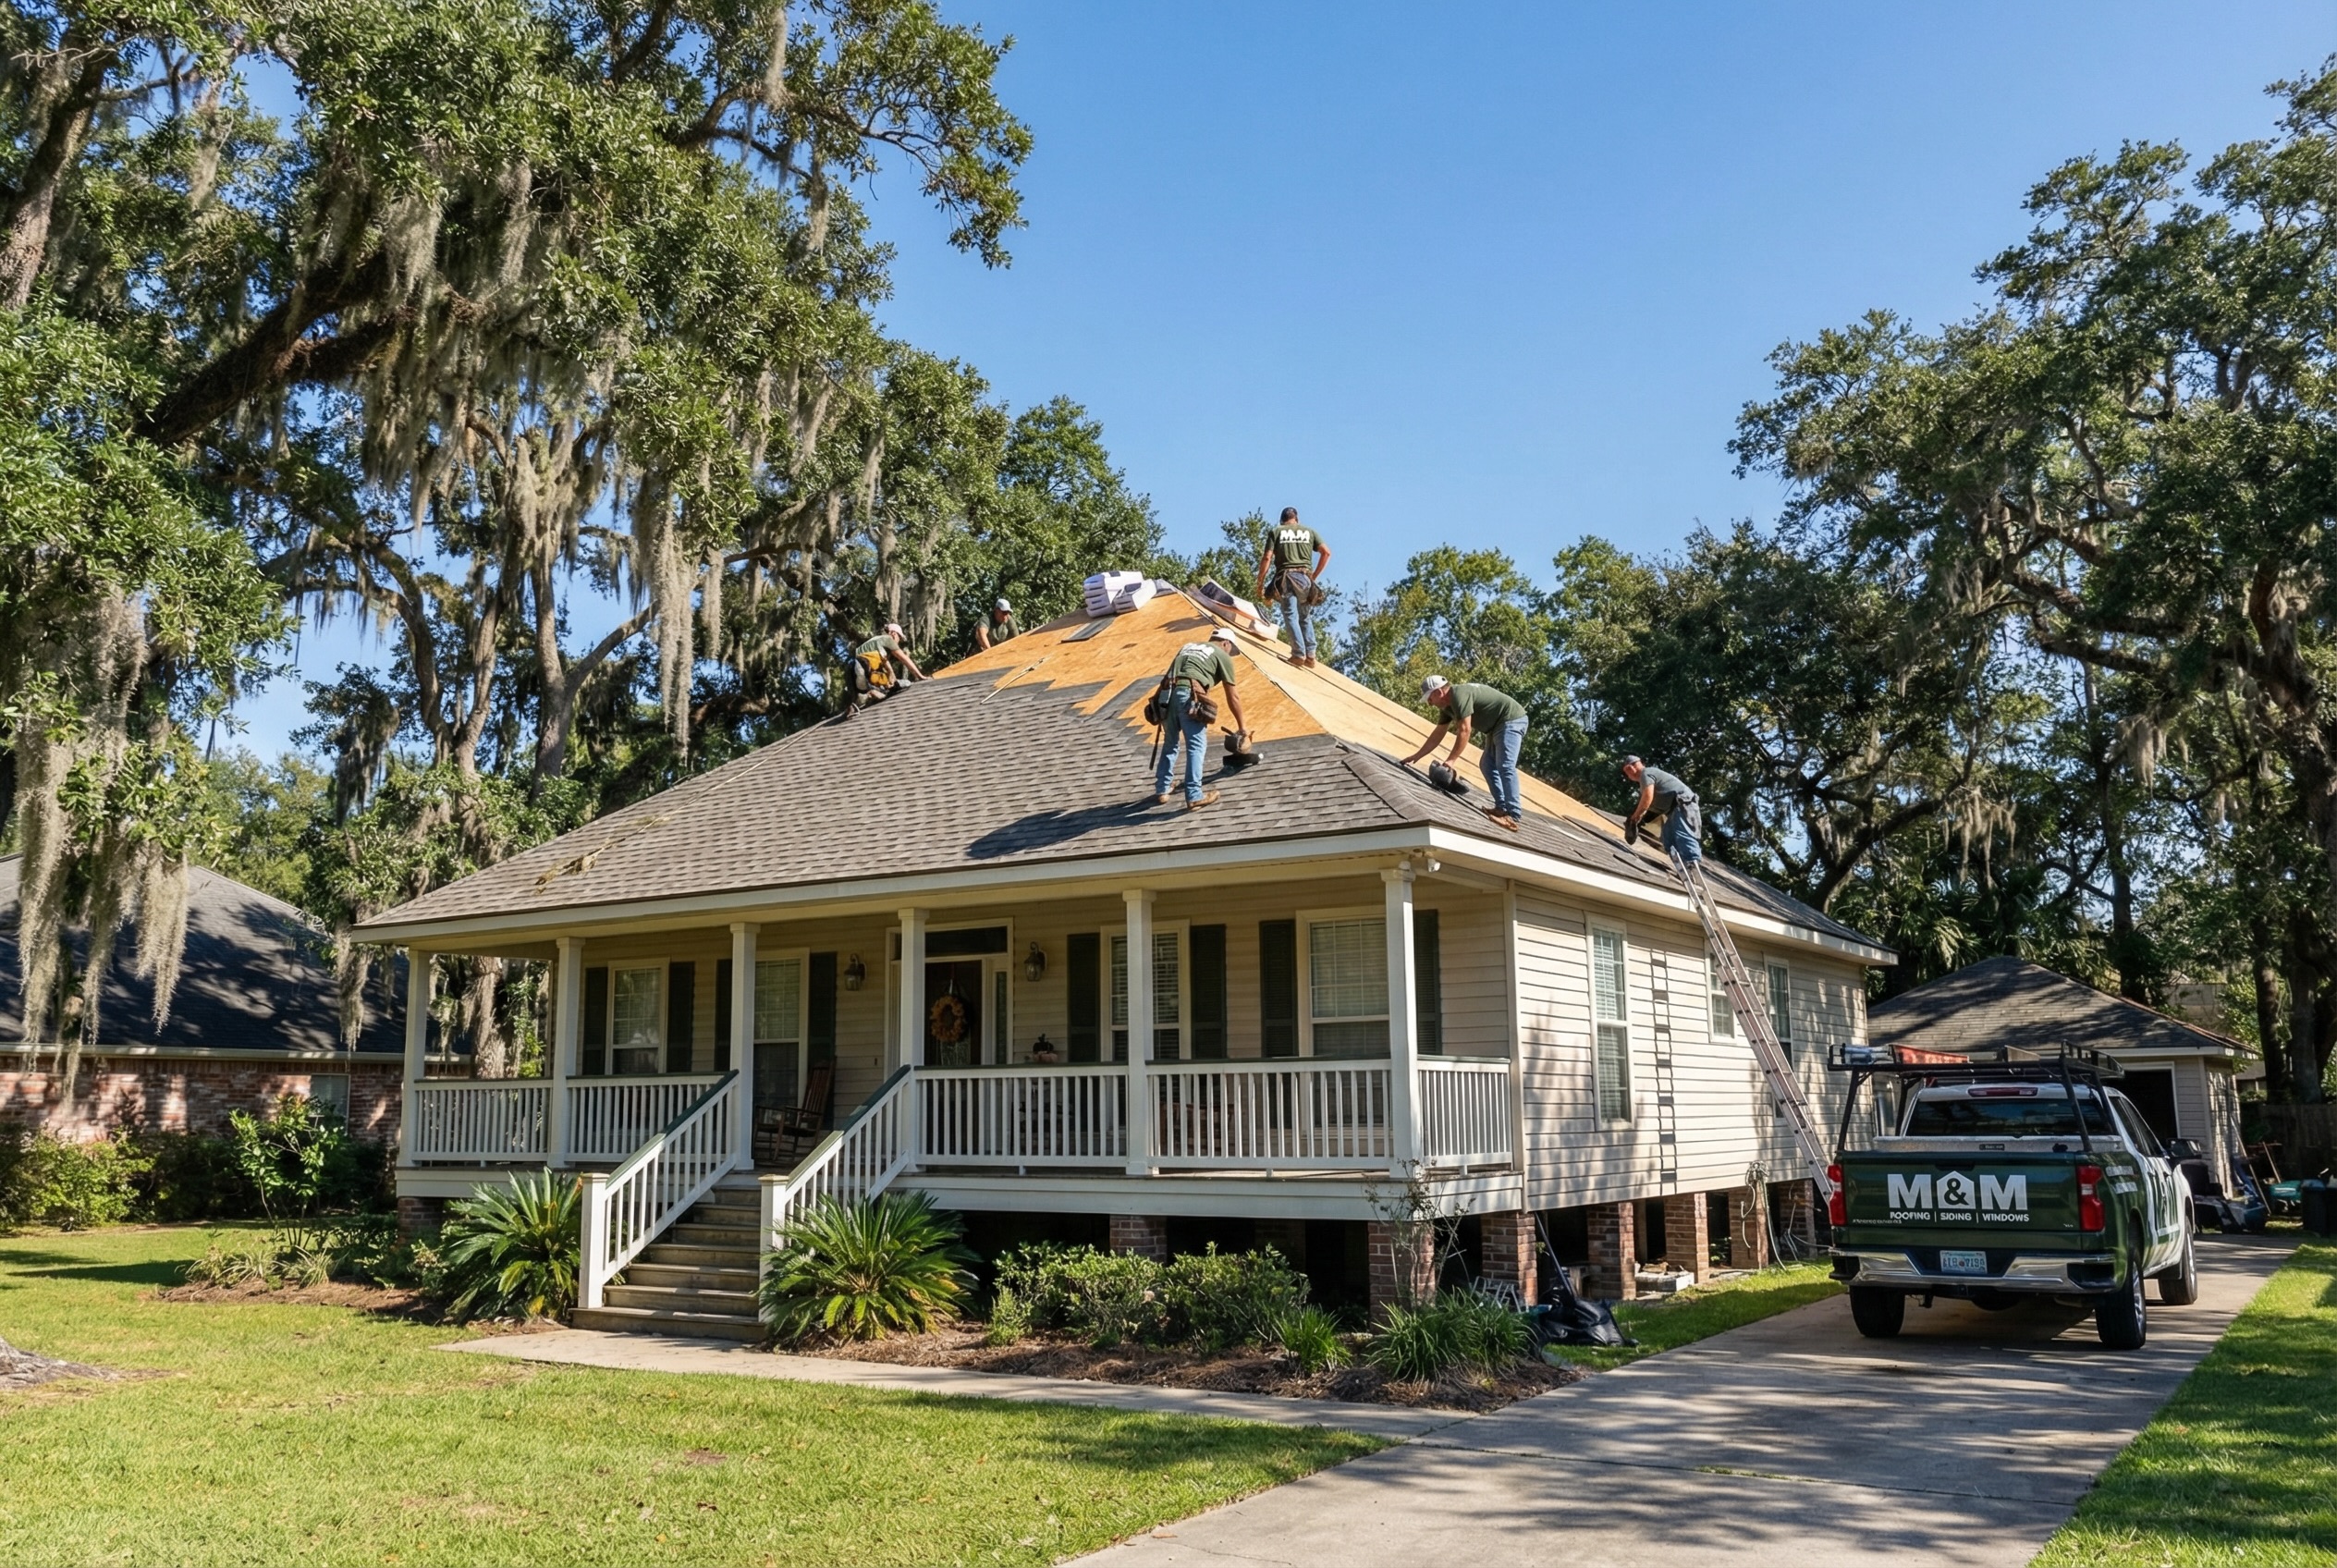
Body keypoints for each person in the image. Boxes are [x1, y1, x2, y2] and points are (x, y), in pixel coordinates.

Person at [1402, 675, 1527, 830]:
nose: (1429, 703)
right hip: (1496, 727)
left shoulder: (1459, 696)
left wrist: (1451, 760)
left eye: (1430, 698)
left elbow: (1465, 730)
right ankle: (1501, 808)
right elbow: (1438, 734)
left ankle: (1513, 815)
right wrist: (1417, 756)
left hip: (1511, 720)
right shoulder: (1447, 708)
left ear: (1439, 692)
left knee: (1505, 765)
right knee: (1487, 765)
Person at [1152, 626, 1250, 811]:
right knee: (1196, 745)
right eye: (1231, 649)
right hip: (1189, 695)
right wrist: (1242, 727)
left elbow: (1171, 673)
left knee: (1170, 743)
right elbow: (1233, 697)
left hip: (1167, 696)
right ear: (1226, 643)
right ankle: (1195, 795)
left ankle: (1162, 789)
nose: (1230, 653)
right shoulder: (1222, 655)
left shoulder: (1188, 646)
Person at [1254, 506, 1331, 668]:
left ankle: (1298, 654)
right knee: (1305, 617)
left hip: (1287, 578)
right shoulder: (1309, 532)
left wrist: (1260, 583)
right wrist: (1314, 576)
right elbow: (1326, 552)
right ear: (1297, 520)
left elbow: (1267, 557)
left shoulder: (1276, 531)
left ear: (1281, 520)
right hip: (1305, 579)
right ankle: (1310, 655)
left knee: (1290, 614)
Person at [1621, 755, 1701, 864]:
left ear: (1641, 764)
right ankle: (1683, 867)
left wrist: (1635, 818)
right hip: (1674, 810)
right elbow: (1650, 808)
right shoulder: (1644, 784)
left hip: (1683, 804)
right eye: (1627, 770)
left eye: (1633, 765)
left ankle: (1692, 863)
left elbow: (1647, 799)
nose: (1632, 770)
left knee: (1682, 834)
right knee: (1668, 839)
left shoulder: (1647, 773)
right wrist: (1639, 821)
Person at [847, 621, 925, 713]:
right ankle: (872, 692)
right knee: (889, 683)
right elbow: (904, 659)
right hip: (862, 667)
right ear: (893, 633)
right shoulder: (888, 639)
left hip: (851, 669)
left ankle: (858, 704)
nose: (898, 641)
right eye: (899, 637)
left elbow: (880, 663)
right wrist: (920, 676)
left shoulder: (874, 641)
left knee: (862, 699)